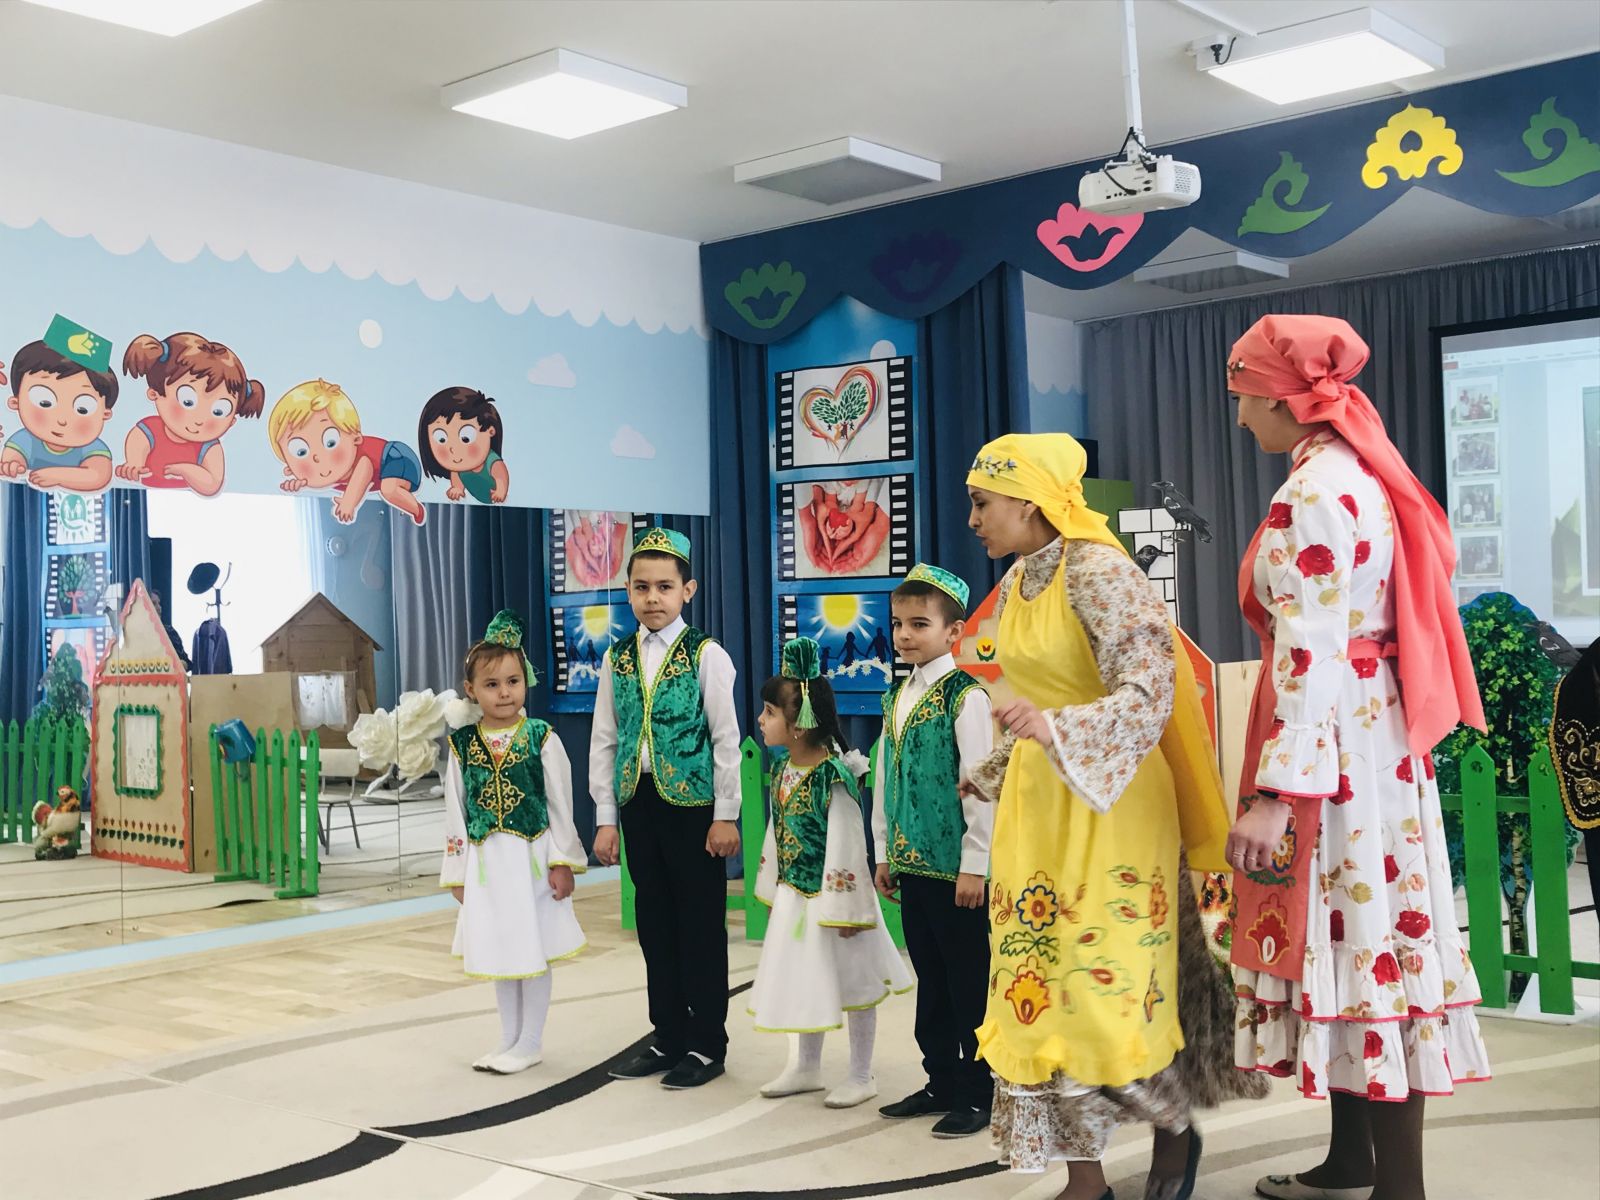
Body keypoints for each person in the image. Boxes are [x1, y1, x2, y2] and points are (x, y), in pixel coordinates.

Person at [1225, 315, 1491, 1200]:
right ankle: (1355, 1163)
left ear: (1280, 398)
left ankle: (1398, 1188)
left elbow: (1310, 650)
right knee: (1361, 941)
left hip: (1334, 748)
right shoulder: (1363, 473)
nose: (1239, 417)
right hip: (1374, 741)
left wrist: (1274, 792)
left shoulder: (1312, 492)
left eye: (1243, 397)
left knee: (1362, 944)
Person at [963, 433, 1255, 1200]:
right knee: (1039, 984)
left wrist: (1056, 728)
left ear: (1029, 501)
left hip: (1112, 804)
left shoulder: (1101, 571)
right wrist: (996, 766)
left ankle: (1173, 1128)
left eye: (983, 503)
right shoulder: (1020, 579)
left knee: (1110, 986)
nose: (974, 520)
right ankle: (1085, 1177)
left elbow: (1150, 690)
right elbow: (1040, 695)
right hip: (1040, 808)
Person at [590, 527, 743, 1089]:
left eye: (664, 587)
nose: (652, 598)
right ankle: (668, 1035)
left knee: (699, 925)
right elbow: (605, 738)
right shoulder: (617, 658)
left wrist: (725, 813)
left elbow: (726, 738)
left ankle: (707, 1044)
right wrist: (606, 819)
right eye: (641, 587)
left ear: (688, 590)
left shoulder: (707, 654)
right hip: (640, 803)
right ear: (628, 591)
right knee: (655, 925)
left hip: (694, 808)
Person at [749, 636, 913, 1108]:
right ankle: (806, 1065)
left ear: (799, 724)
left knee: (855, 981)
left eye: (769, 712)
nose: (761, 720)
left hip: (837, 902)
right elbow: (777, 832)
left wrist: (847, 909)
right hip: (795, 896)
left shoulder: (832, 777)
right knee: (806, 977)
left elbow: (847, 844)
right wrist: (774, 886)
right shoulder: (784, 769)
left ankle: (862, 1073)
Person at [871, 563, 996, 1138]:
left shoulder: (966, 699)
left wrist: (976, 864)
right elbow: (885, 779)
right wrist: (883, 851)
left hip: (954, 870)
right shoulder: (897, 695)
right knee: (931, 977)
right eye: (898, 623)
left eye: (919, 624)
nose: (904, 635)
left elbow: (981, 784)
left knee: (967, 980)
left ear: (954, 632)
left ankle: (980, 1090)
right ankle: (940, 1078)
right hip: (911, 863)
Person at [439, 610, 586, 1075]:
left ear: (526, 682)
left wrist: (563, 861)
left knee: (532, 945)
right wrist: (457, 873)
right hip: (487, 866)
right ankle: (508, 1037)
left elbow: (560, 804)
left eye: (513, 681)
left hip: (531, 862)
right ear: (471, 690)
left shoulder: (541, 738)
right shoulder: (463, 746)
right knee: (499, 948)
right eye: (492, 684)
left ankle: (531, 1041)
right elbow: (456, 813)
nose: (504, 692)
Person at [118, 331, 264, 495]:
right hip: (142, 493)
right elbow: (138, 442)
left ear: (231, 421)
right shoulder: (151, 428)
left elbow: (213, 484)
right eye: (187, 402)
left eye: (218, 411)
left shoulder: (209, 446)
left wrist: (186, 470)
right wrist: (134, 463)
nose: (200, 419)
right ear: (154, 394)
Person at [268, 379, 425, 525]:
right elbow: (316, 480)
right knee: (386, 487)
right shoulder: (320, 473)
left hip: (395, 457)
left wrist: (349, 502)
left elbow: (364, 468)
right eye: (300, 451)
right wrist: (298, 484)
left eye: (330, 442)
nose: (317, 457)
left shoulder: (361, 459)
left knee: (389, 489)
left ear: (356, 438)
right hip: (380, 477)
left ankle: (417, 510)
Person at [1, 315, 117, 494]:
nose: (62, 420)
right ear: (15, 402)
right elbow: (11, 458)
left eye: (82, 409)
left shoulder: (92, 447)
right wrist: (12, 466)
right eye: (44, 402)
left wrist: (57, 476)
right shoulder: (25, 440)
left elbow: (99, 475)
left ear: (105, 414)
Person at [417, 386, 510, 504]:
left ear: (490, 431)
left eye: (466, 438)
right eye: (441, 439)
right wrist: (457, 488)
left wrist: (501, 491)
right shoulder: (458, 467)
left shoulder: (491, 461)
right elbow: (456, 474)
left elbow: (500, 476)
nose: (453, 449)